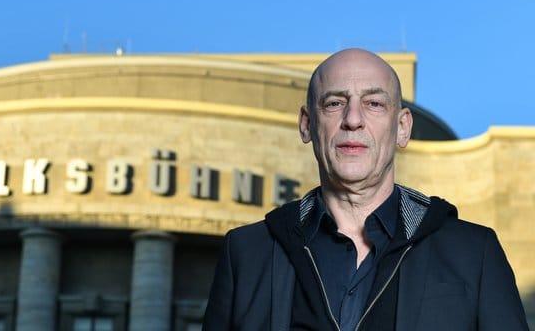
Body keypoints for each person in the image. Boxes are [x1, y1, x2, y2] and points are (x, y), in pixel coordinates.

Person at [203, 48, 528, 330]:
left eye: (373, 103)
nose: (353, 119)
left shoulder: (472, 253)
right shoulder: (247, 253)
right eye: (334, 103)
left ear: (402, 128)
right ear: (307, 125)